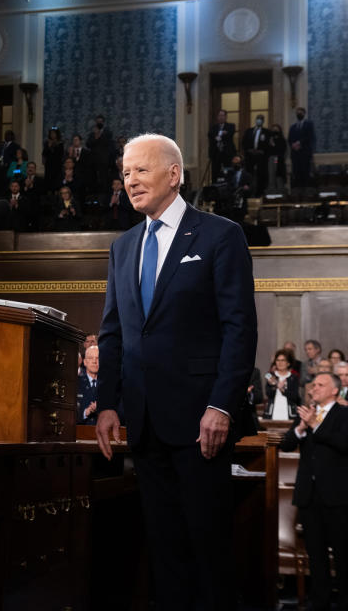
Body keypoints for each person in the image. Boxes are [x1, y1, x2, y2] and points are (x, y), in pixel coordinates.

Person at [96, 133, 257, 610]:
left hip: (201, 425)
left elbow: (239, 329)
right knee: (164, 553)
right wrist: (107, 403)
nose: (130, 180)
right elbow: (113, 335)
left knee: (209, 552)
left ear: (174, 174)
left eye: (140, 170)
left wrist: (221, 404)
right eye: (125, 172)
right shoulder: (122, 248)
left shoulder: (219, 235)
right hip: (144, 425)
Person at [279, 372, 348, 611]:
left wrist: (315, 425)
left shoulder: (345, 413)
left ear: (334, 390)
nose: (313, 388)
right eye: (313, 384)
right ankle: (320, 602)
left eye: (320, 384)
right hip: (309, 494)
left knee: (343, 554)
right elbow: (286, 444)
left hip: (337, 494)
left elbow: (343, 443)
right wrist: (302, 428)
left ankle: (345, 603)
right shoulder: (307, 413)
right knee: (316, 555)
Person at [263, 348, 300, 420]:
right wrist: (274, 386)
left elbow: (295, 397)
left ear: (288, 363)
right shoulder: (270, 376)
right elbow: (269, 394)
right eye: (278, 360)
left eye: (283, 360)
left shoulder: (293, 377)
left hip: (289, 414)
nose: (280, 363)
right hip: (272, 413)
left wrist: (282, 389)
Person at [240, 114, 269, 195]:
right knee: (249, 174)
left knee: (261, 175)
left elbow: (268, 145)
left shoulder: (266, 132)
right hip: (250, 157)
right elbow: (244, 142)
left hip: (261, 157)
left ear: (263, 121)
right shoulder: (249, 131)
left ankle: (260, 193)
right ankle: (249, 192)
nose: (259, 120)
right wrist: (249, 150)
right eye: (258, 119)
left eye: (261, 119)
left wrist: (261, 151)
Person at [288, 106, 316, 188]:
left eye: (300, 112)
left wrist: (299, 143)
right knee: (296, 174)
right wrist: (293, 145)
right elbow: (289, 139)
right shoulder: (293, 127)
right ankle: (297, 194)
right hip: (295, 154)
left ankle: (306, 193)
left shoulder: (309, 124)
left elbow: (310, 137)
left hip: (305, 153)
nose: (298, 114)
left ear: (304, 113)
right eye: (297, 112)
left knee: (305, 174)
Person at [208, 109, 236, 183]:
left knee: (227, 172)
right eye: (219, 115)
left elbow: (230, 134)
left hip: (227, 154)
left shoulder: (231, 126)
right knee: (215, 172)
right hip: (216, 154)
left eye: (222, 115)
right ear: (217, 117)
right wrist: (221, 134)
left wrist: (220, 135)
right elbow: (211, 135)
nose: (221, 117)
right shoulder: (213, 127)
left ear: (226, 117)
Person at [77, 345, 100, 424]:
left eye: (97, 358)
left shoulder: (109, 385)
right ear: (85, 362)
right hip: (81, 431)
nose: (94, 361)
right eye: (91, 358)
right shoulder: (76, 383)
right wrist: (85, 412)